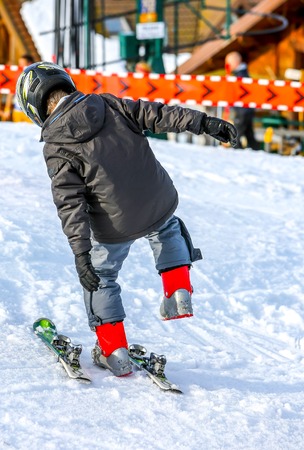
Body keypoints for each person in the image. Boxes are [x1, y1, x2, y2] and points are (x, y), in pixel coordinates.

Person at [16, 62, 238, 377]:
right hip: (156, 200)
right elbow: (161, 115)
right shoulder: (109, 103)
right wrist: (205, 123)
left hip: (114, 225)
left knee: (100, 276)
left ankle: (114, 351)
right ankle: (178, 292)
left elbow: (69, 201)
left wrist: (81, 253)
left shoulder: (57, 145)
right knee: (167, 227)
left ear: (35, 107)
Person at [225, 51, 260, 150]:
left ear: (235, 63)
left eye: (229, 63)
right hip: (246, 110)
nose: (227, 66)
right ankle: (255, 151)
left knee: (236, 135)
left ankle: (237, 153)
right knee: (249, 135)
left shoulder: (240, 76)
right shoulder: (242, 74)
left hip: (242, 110)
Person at [0, 54, 35, 122]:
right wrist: (7, 109)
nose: (20, 66)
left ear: (30, 64)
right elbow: (11, 92)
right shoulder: (17, 77)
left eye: (23, 64)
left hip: (31, 113)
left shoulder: (36, 78)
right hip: (17, 112)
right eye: (20, 64)